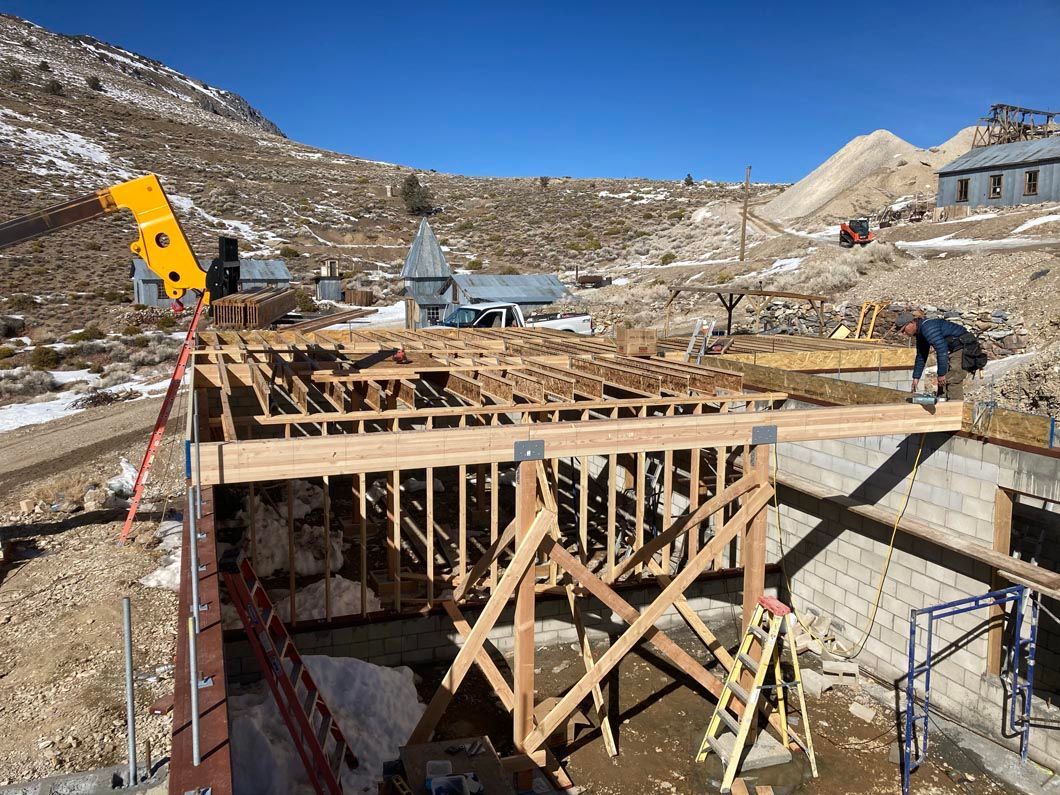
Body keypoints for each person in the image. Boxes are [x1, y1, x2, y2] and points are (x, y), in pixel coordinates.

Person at [895, 312, 978, 401]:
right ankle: (942, 405)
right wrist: (916, 377)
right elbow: (921, 356)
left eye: (904, 330)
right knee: (943, 383)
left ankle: (955, 408)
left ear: (911, 323)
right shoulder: (921, 333)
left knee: (953, 379)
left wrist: (941, 374)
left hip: (964, 346)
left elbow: (941, 350)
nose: (904, 333)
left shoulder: (928, 328)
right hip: (953, 349)